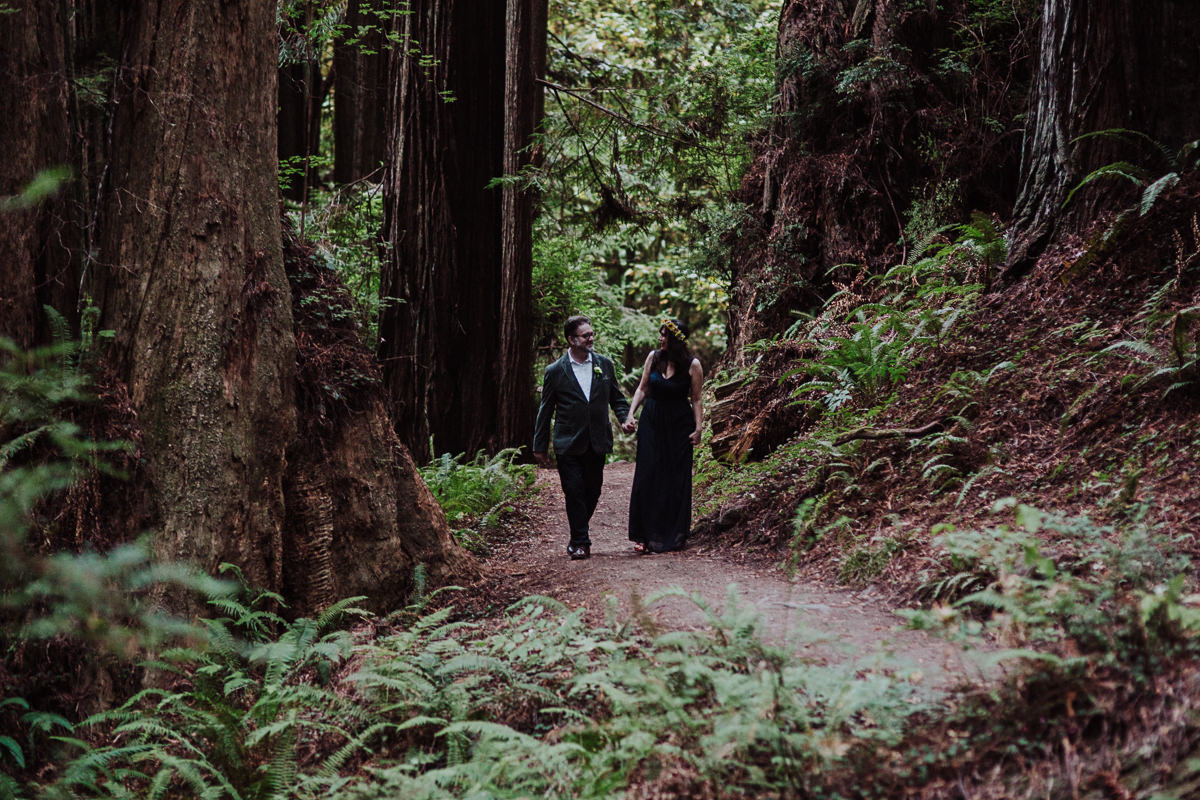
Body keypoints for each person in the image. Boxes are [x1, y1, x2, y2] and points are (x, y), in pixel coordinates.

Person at [533, 315, 630, 560]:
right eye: (586, 335)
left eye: (591, 334)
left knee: (593, 491)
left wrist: (625, 418)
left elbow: (616, 399)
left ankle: (578, 529)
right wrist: (540, 446)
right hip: (568, 442)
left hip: (596, 440)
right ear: (571, 339)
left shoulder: (604, 365)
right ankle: (580, 541)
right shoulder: (555, 371)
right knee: (574, 491)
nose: (591, 338)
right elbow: (545, 410)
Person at [622, 318, 704, 554]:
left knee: (674, 478)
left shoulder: (692, 364)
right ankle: (644, 535)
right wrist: (630, 414)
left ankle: (673, 533)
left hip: (679, 424)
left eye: (664, 335)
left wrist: (699, 428)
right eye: (660, 335)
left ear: (676, 339)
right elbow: (642, 387)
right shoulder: (654, 358)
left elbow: (696, 398)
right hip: (652, 421)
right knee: (648, 474)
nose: (660, 339)